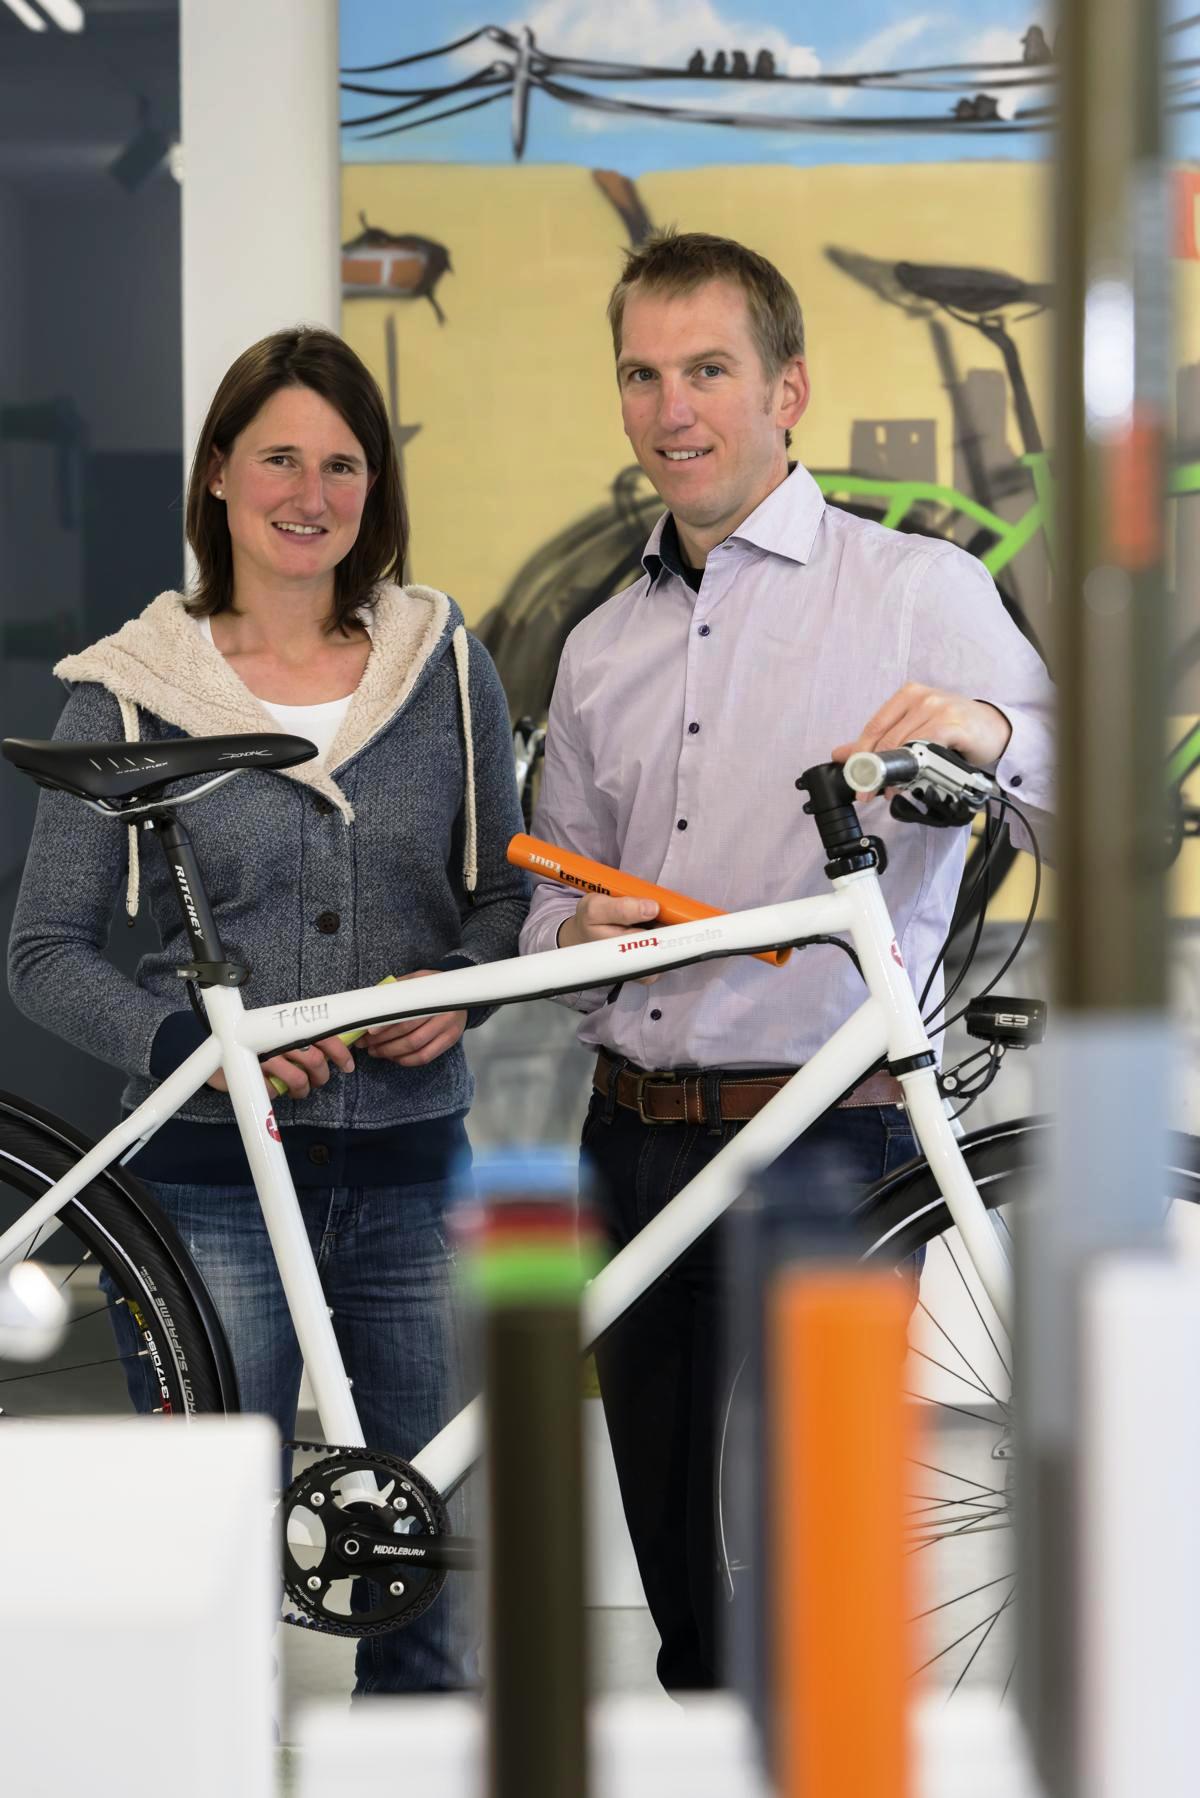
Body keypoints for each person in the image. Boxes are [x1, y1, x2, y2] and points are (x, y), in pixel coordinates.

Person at [519, 230, 1054, 1691]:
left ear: (790, 387)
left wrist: (988, 730)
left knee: (818, 1586)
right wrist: (571, 930)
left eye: (708, 369)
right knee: (689, 1597)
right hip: (625, 1141)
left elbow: (1087, 799)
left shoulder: (916, 588)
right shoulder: (599, 645)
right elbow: (542, 898)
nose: (671, 407)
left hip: (828, 1145)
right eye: (642, 373)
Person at [9, 325, 529, 1694]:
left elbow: (503, 896)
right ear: (221, 476)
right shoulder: (126, 690)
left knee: (419, 1554)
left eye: (344, 463)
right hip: (208, 1187)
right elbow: (44, 951)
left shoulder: (443, 668)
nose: (313, 491)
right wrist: (186, 1046)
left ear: (376, 488)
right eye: (282, 456)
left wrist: (455, 995)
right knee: (209, 1558)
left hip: (415, 1168)